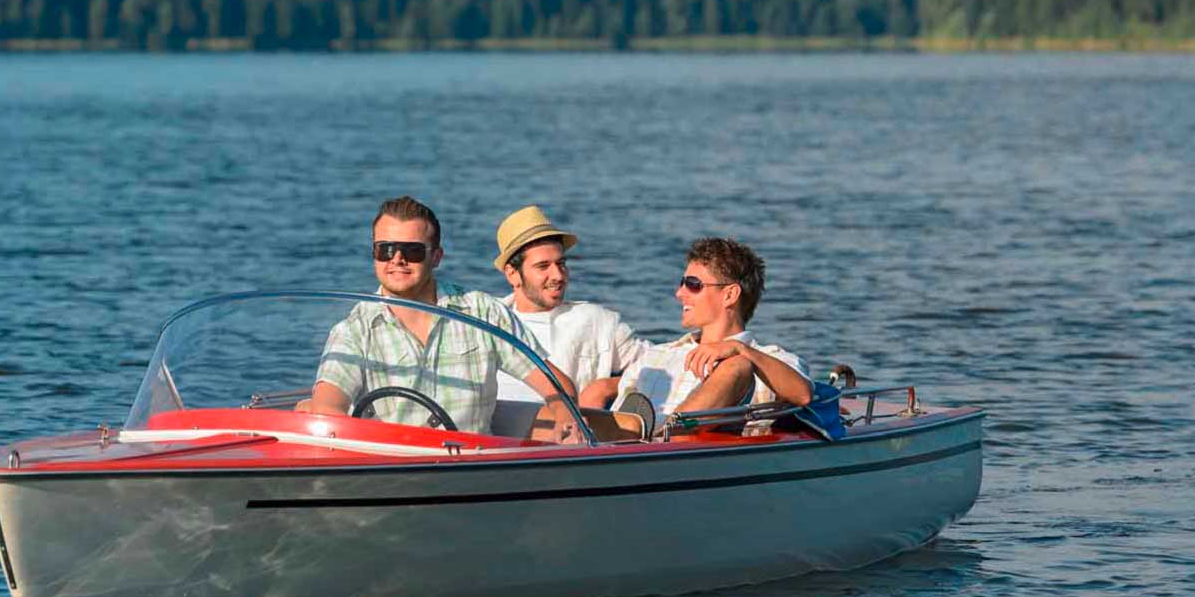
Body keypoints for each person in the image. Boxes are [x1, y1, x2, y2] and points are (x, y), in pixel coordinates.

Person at [296, 196, 582, 441]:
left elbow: (555, 384)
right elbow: (328, 407)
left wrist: (564, 417)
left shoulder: (482, 312)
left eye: (412, 251)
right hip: (390, 470)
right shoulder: (354, 330)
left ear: (437, 257)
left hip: (475, 471)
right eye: (385, 249)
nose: (397, 259)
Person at [582, 237, 815, 431]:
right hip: (628, 449)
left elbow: (803, 395)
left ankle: (667, 436)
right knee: (557, 408)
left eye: (693, 284)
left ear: (729, 295)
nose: (679, 293)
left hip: (689, 454)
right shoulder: (657, 355)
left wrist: (741, 350)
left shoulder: (765, 358)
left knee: (737, 367)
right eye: (682, 283)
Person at [491, 205, 650, 405]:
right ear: (512, 274)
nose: (558, 275)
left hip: (567, 433)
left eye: (561, 264)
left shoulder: (597, 321)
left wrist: (605, 388)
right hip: (493, 433)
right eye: (543, 266)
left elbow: (660, 366)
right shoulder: (486, 321)